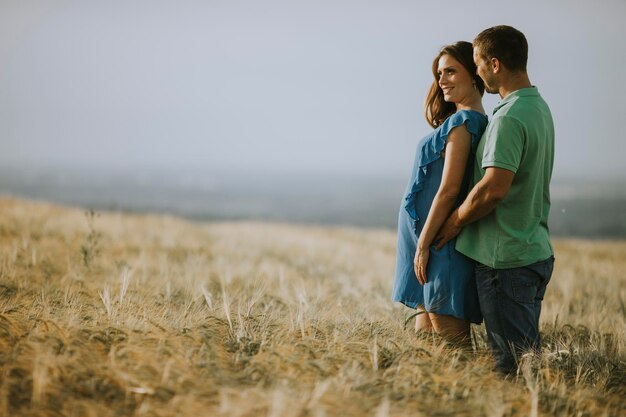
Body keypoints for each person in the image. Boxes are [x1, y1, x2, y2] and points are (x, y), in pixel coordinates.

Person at [435, 26, 555, 374]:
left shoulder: (507, 117)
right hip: (532, 249)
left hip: (505, 260)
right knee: (525, 360)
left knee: (512, 368)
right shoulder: (538, 107)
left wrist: (454, 221)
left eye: (477, 63)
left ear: (495, 64)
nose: (477, 72)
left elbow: (493, 189)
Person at [392, 41, 487, 346]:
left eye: (450, 71)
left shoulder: (463, 123)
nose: (442, 80)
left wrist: (422, 247)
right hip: (426, 243)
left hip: (436, 245)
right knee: (427, 349)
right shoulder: (456, 120)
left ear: (474, 74)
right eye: (439, 73)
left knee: (452, 349)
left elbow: (448, 191)